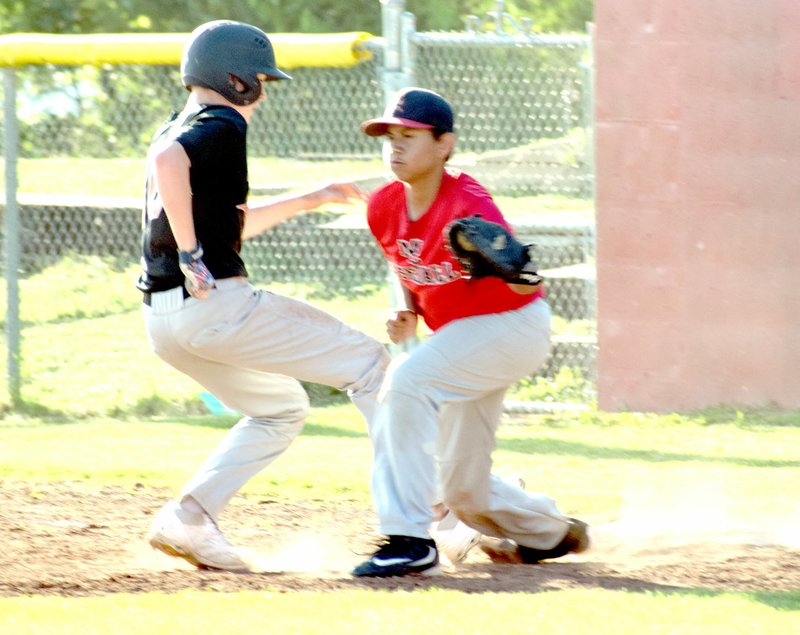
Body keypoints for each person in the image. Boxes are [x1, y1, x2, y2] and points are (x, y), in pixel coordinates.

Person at [139, 20, 390, 571]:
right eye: (258, 77)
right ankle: (426, 516)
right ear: (233, 80)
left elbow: (224, 226)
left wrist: (311, 198)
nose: (263, 89)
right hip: (216, 306)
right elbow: (169, 166)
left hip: (167, 322)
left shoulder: (175, 123)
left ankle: (190, 519)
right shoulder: (222, 122)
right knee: (372, 363)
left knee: (279, 408)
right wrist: (189, 255)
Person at [351, 87, 589, 577]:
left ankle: (408, 538)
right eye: (388, 136)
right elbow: (407, 265)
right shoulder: (383, 206)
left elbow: (523, 282)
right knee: (464, 491)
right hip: (459, 342)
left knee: (406, 381)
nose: (394, 146)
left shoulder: (467, 200)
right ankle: (550, 532)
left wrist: (520, 273)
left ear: (445, 145)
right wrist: (407, 311)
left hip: (512, 327)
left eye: (409, 136)